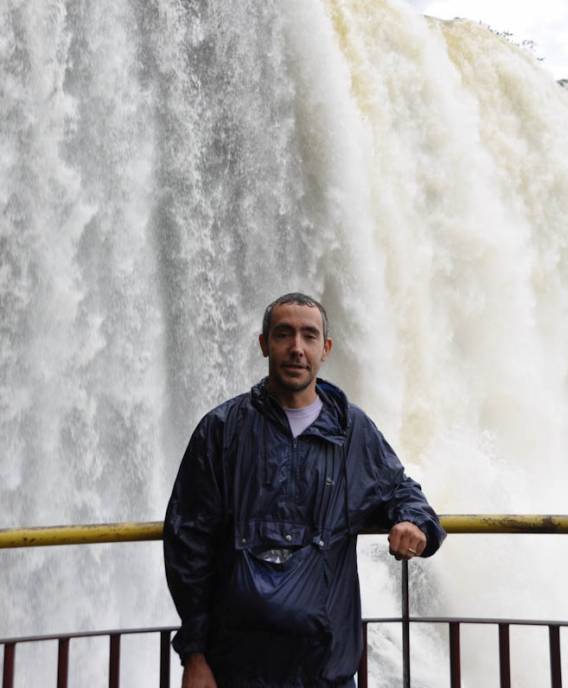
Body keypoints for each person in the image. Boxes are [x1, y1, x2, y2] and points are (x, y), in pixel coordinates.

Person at [164, 292, 445, 688]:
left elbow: (403, 492)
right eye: (284, 334)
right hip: (236, 670)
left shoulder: (351, 433)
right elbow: (187, 543)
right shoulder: (223, 430)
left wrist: (413, 522)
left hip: (324, 670)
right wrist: (194, 656)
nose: (296, 348)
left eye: (309, 336)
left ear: (325, 348)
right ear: (264, 344)